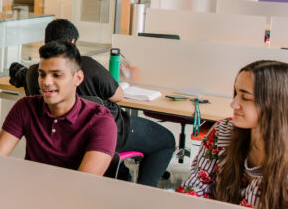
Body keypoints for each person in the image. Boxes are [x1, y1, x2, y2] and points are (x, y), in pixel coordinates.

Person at [23, 18, 175, 186]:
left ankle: (120, 175)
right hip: (110, 133)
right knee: (166, 140)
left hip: (60, 138)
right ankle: (144, 192)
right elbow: (118, 96)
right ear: (73, 42)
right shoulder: (86, 65)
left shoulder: (34, 73)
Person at [177, 60, 288, 209]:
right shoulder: (222, 132)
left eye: (245, 97)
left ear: (275, 105)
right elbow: (195, 189)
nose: (234, 103)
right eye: (236, 93)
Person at [0, 40, 116, 175]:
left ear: (78, 78)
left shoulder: (101, 121)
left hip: (70, 195)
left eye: (57, 75)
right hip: (28, 191)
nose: (46, 82)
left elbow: (82, 186)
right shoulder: (26, 107)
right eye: (42, 74)